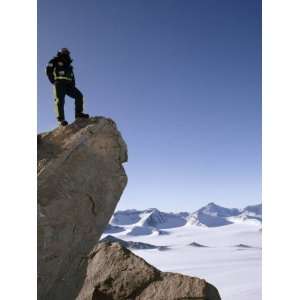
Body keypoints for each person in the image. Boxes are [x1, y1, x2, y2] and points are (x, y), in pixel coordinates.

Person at [46, 48, 89, 126]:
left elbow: (72, 76)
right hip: (59, 83)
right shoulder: (55, 60)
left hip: (69, 85)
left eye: (67, 52)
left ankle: (79, 114)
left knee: (79, 96)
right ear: (60, 52)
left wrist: (73, 84)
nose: (66, 52)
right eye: (64, 51)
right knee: (60, 101)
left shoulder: (69, 64)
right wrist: (53, 81)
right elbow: (48, 70)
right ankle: (61, 120)